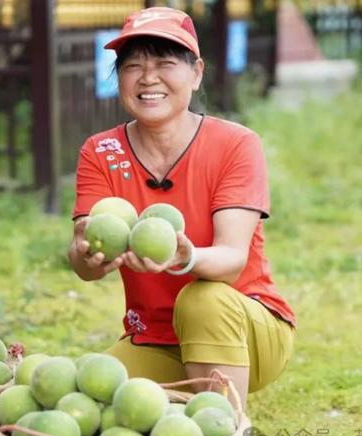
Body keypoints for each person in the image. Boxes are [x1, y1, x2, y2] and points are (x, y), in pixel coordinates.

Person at [67, 6, 295, 409]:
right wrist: (89, 257)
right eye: (132, 64)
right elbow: (85, 258)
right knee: (87, 398)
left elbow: (230, 261)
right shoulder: (100, 151)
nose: (147, 77)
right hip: (158, 338)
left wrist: (184, 256)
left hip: (246, 328)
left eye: (164, 63)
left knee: (202, 297)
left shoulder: (235, 145)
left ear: (196, 72)